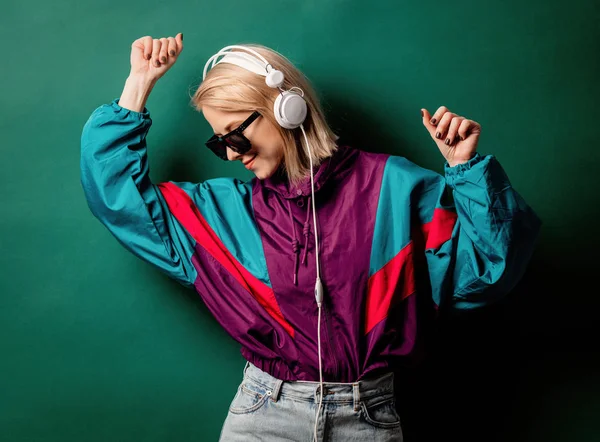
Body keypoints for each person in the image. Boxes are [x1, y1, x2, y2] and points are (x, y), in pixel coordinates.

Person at [80, 33, 542, 442]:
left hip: (368, 417)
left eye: (234, 136)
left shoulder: (396, 189)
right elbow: (121, 202)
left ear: (286, 108)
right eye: (217, 143)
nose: (228, 154)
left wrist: (465, 169)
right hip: (263, 415)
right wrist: (138, 84)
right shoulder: (221, 215)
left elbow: (487, 271)